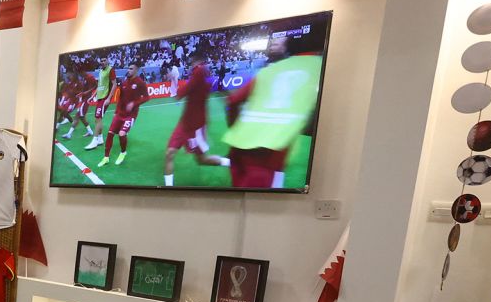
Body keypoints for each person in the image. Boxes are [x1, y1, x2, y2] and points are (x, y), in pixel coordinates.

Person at [222, 31, 324, 189]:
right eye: (273, 40)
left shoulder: (267, 72)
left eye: (279, 40)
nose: (274, 43)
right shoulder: (314, 68)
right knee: (264, 206)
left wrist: (236, 129)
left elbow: (233, 100)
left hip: (239, 149)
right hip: (269, 153)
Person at [162, 48, 230, 187]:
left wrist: (173, 80)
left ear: (197, 59)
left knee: (202, 160)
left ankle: (231, 163)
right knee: (169, 153)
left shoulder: (200, 71)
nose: (190, 63)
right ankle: (168, 189)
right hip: (185, 123)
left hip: (196, 126)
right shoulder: (201, 71)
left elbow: (180, 94)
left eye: (191, 60)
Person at [100, 63, 148, 168]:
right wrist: (116, 112)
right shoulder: (124, 82)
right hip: (120, 113)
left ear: (136, 70)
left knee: (122, 133)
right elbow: (120, 99)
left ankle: (123, 152)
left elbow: (146, 97)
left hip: (131, 115)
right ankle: (106, 157)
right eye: (128, 68)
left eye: (131, 69)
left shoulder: (140, 83)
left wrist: (134, 104)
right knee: (110, 133)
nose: (129, 70)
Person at [85, 56, 117, 150]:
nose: (102, 62)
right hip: (99, 97)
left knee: (98, 118)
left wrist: (109, 98)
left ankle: (94, 141)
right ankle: (100, 139)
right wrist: (92, 96)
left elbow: (115, 84)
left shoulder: (110, 70)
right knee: (97, 119)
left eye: (104, 60)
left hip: (105, 98)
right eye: (101, 60)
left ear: (107, 61)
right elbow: (99, 86)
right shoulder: (100, 71)